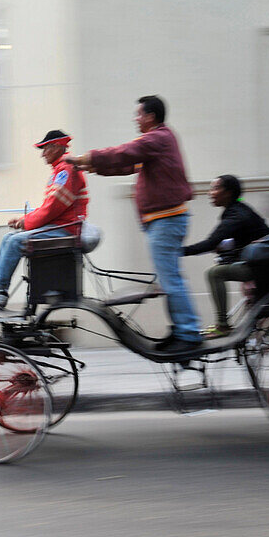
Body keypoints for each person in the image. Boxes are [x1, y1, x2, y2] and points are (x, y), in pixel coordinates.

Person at [64, 95, 202, 352]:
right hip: (163, 221)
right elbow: (126, 164)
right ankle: (182, 330)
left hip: (166, 220)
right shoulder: (157, 142)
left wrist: (85, 159)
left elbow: (124, 153)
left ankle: (189, 334)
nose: (135, 118)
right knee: (169, 279)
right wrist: (91, 167)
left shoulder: (156, 139)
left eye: (138, 114)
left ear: (150, 117)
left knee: (171, 280)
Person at [0, 129, 88, 308]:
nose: (43, 154)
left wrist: (27, 222)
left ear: (56, 147)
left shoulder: (66, 170)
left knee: (15, 242)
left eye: (45, 149)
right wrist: (26, 219)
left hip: (66, 230)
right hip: (61, 227)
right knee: (9, 238)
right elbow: (51, 207)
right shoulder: (61, 170)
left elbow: (53, 208)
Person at [182, 174, 269, 338]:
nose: (210, 193)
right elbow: (242, 238)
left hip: (260, 267)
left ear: (228, 193)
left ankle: (223, 325)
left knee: (214, 273)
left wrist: (178, 251)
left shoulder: (236, 215)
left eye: (215, 188)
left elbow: (210, 243)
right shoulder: (239, 209)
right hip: (259, 262)